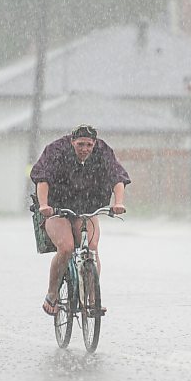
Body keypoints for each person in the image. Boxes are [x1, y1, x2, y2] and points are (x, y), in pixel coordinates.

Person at [30, 124, 131, 316]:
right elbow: (42, 178)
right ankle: (52, 294)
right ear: (72, 141)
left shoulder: (102, 151)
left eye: (89, 145)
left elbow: (117, 177)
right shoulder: (57, 150)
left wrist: (119, 203)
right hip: (56, 207)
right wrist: (44, 205)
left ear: (94, 144)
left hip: (86, 206)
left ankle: (92, 300)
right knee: (66, 247)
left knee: (91, 248)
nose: (85, 149)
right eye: (80, 144)